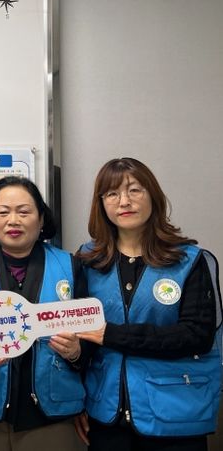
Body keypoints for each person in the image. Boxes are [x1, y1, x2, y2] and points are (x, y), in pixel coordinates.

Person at [75, 157, 220, 451]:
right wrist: (75, 399)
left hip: (175, 416)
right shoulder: (88, 260)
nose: (124, 201)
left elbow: (197, 336)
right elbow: (82, 337)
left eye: (134, 190)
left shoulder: (188, 260)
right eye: (112, 193)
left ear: (152, 195)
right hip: (106, 415)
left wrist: (112, 335)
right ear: (101, 203)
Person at [0, 176, 86, 451]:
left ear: (41, 219)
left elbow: (92, 331)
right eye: (3, 212)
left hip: (53, 416)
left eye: (24, 212)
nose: (13, 220)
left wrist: (77, 351)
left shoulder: (69, 266)